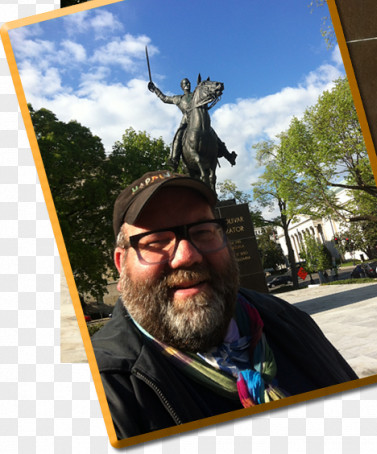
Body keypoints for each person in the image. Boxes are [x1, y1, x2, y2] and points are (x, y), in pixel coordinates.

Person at [92, 170, 357, 440]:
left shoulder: (288, 319)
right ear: (121, 263)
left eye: (203, 232)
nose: (187, 256)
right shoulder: (106, 386)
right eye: (157, 242)